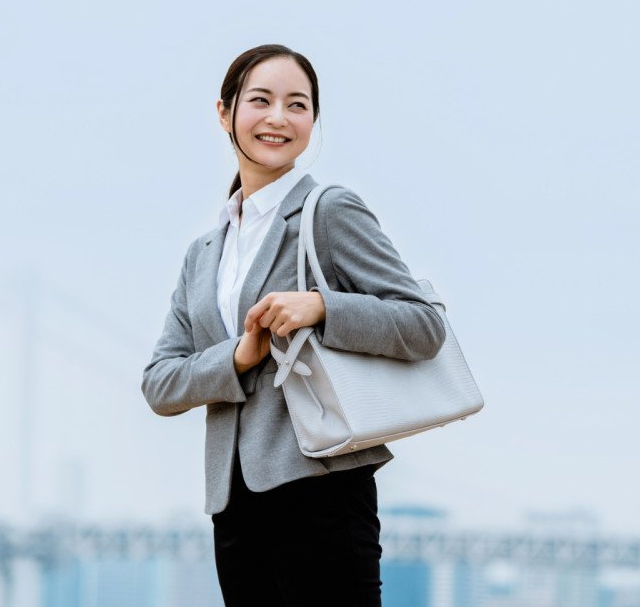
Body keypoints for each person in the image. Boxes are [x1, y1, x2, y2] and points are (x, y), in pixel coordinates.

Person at [141, 44, 445, 606]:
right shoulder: (203, 254)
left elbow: (425, 326)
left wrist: (323, 307)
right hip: (234, 505)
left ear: (313, 120)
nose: (278, 118)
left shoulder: (328, 211)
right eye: (261, 100)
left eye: (297, 104)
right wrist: (239, 356)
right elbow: (160, 384)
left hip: (324, 492)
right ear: (224, 112)